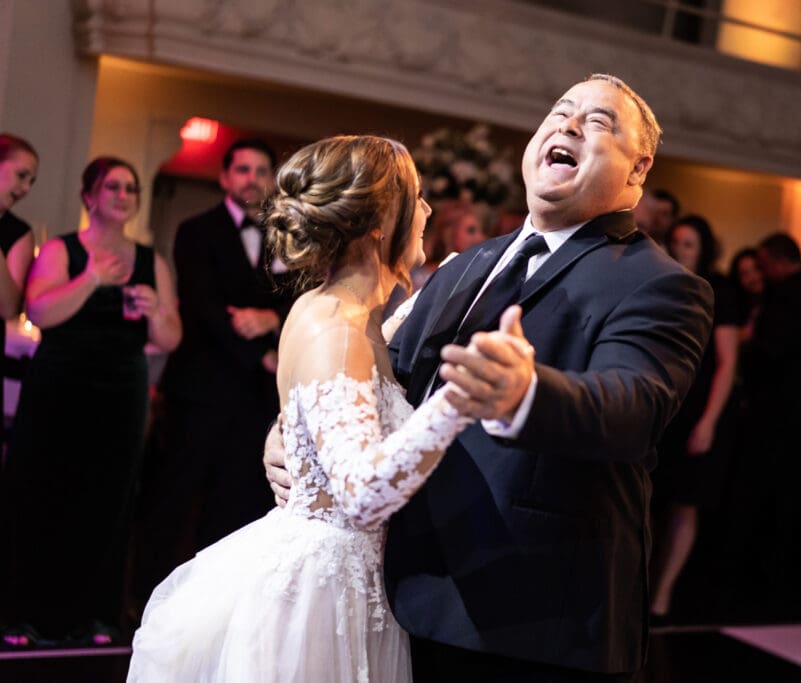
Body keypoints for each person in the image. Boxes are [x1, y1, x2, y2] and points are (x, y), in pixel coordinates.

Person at [264, 74, 713, 681]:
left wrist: (526, 395)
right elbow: (375, 380)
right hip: (411, 602)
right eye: (560, 111)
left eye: (600, 122)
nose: (570, 124)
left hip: (535, 623)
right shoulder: (462, 265)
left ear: (638, 170)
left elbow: (632, 406)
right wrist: (296, 432)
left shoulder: (658, 284)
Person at [129, 134, 496, 682]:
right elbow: (363, 492)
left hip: (351, 585)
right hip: (321, 600)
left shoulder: (353, 315)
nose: (426, 211)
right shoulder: (337, 329)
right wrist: (457, 405)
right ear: (378, 222)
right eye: (415, 197)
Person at [0, 157, 180, 647]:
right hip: (59, 384)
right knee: (41, 493)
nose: (123, 196)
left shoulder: (150, 261)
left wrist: (154, 308)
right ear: (90, 196)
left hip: (121, 389)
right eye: (113, 187)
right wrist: (90, 280)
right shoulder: (61, 248)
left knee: (109, 500)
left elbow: (169, 337)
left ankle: (95, 617)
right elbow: (38, 309)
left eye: (131, 189)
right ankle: (23, 615)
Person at [133, 139, 295, 604]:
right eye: (242, 169)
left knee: (237, 505)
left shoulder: (285, 239)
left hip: (256, 401)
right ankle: (145, 603)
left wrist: (273, 320)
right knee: (173, 498)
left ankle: (213, 607)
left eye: (261, 170)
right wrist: (260, 356)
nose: (252, 178)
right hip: (200, 391)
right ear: (225, 177)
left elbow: (300, 298)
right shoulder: (195, 230)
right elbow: (203, 308)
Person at [729, 233, 801, 597]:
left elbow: (772, 350)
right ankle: (779, 571)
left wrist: (749, 349)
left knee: (766, 490)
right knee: (792, 492)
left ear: (775, 260)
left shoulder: (788, 295)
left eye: (763, 263)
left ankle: (755, 571)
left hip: (778, 409)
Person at [650, 215, 740, 622]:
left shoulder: (718, 290)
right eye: (676, 242)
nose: (680, 250)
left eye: (688, 244)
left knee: (685, 504)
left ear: (703, 248)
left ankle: (664, 593)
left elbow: (727, 363)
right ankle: (639, 586)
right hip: (661, 404)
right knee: (648, 499)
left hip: (698, 407)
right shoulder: (661, 282)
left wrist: (709, 421)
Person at [0, 134, 38, 442]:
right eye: (21, 175)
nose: (25, 188)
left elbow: (9, 307)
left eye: (31, 182)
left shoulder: (18, 233)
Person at [410, 200, 486, 290]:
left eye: (480, 230)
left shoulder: (475, 279)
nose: (480, 238)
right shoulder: (421, 279)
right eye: (471, 230)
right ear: (449, 233)